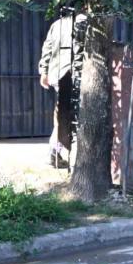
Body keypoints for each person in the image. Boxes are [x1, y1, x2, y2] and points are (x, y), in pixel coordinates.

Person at [39, 12, 86, 167]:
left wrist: (44, 71)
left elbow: (48, 48)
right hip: (74, 75)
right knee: (69, 116)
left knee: (62, 114)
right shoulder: (83, 21)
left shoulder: (57, 24)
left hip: (57, 74)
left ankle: (55, 152)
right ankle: (56, 151)